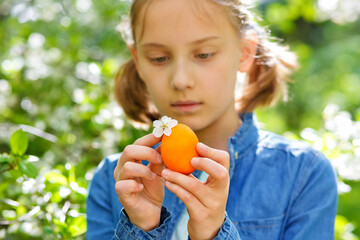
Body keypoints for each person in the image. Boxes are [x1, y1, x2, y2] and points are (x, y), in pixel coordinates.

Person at [86, 0, 338, 239]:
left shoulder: (303, 174)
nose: (181, 80)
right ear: (138, 60)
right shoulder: (115, 181)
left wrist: (212, 233)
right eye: (159, 58)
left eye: (204, 54)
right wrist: (141, 228)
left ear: (245, 52)